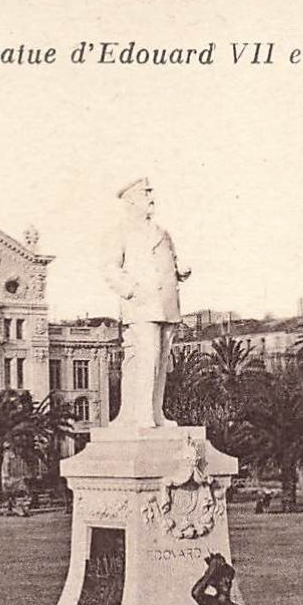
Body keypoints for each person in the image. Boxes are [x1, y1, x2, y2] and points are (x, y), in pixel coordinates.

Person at [103, 178, 190, 428]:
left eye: (151, 193)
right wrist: (131, 291)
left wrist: (180, 271)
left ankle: (156, 411)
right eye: (145, 194)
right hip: (141, 304)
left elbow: (171, 262)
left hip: (166, 304)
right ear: (132, 200)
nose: (151, 198)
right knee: (146, 356)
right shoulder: (121, 232)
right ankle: (140, 413)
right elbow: (110, 268)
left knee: (162, 359)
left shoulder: (163, 233)